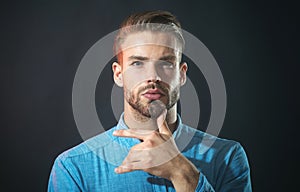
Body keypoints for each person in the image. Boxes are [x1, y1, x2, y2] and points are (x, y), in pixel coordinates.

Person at [48, 10, 252, 192]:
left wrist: (181, 172)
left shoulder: (227, 158)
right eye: (138, 63)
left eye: (166, 62)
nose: (153, 76)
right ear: (118, 75)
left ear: (181, 75)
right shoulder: (73, 168)